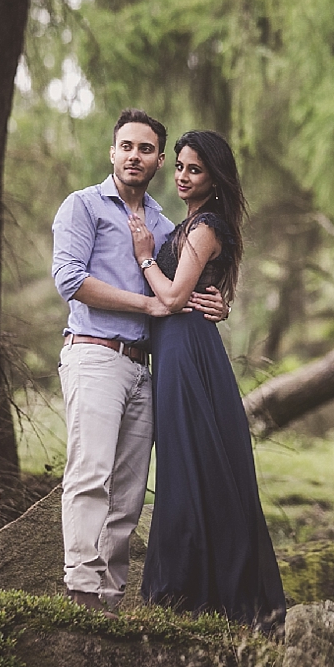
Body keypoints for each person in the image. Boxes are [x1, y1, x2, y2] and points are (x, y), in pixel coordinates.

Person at [51, 109, 230, 618]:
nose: (135, 156)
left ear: (157, 161)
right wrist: (149, 305)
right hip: (94, 353)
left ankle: (108, 602)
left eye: (146, 149)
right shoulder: (82, 207)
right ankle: (81, 594)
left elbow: (187, 283)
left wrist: (218, 303)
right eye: (126, 146)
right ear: (112, 152)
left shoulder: (163, 224)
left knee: (128, 494)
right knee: (90, 474)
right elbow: (69, 280)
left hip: (144, 367)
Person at [129, 130, 287, 632]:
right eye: (178, 166)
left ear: (214, 178)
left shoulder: (207, 226)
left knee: (192, 458)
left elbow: (174, 299)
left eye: (193, 169)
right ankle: (191, 582)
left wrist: (145, 257)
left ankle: (193, 589)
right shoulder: (191, 223)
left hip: (186, 351)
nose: (181, 176)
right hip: (178, 348)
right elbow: (192, 293)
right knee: (185, 460)